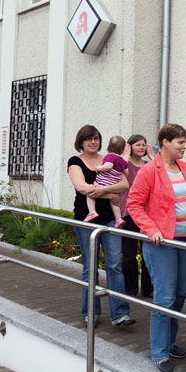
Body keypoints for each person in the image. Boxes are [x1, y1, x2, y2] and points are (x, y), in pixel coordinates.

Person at [126, 124, 186, 372]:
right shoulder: (149, 171)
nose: (184, 147)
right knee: (164, 297)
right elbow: (134, 204)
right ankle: (158, 351)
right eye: (180, 142)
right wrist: (150, 228)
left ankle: (170, 342)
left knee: (179, 296)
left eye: (184, 142)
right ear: (165, 143)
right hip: (162, 243)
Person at [67, 125, 134, 328]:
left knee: (115, 265)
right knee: (90, 267)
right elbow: (81, 187)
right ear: (81, 142)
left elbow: (125, 185)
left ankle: (120, 314)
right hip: (86, 220)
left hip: (109, 220)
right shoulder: (75, 162)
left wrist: (103, 189)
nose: (93, 142)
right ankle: (90, 312)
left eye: (96, 138)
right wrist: (110, 194)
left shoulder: (109, 159)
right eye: (88, 139)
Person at [120, 134, 153, 298]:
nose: (141, 147)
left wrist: (152, 156)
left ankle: (148, 289)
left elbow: (161, 173)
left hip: (148, 214)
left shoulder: (149, 165)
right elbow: (117, 171)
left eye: (143, 145)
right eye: (138, 145)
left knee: (148, 253)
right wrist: (125, 156)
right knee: (128, 253)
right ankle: (130, 289)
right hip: (129, 213)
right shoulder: (125, 164)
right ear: (130, 146)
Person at [85, 135, 129, 227]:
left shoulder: (110, 156)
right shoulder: (122, 161)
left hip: (103, 182)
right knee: (114, 202)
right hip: (114, 183)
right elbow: (126, 173)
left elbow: (108, 166)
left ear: (109, 147)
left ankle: (92, 212)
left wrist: (98, 168)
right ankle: (118, 219)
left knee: (90, 194)